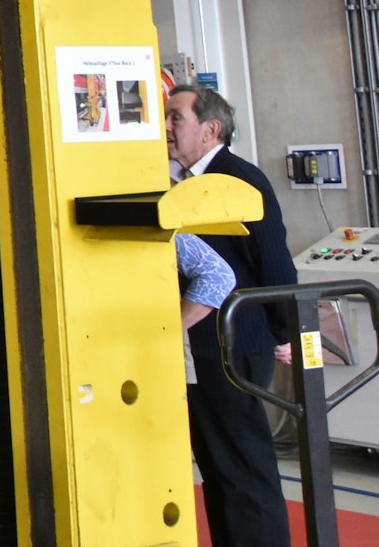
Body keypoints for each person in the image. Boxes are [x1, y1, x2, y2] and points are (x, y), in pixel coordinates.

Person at [166, 85, 295, 547]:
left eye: (176, 118)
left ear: (210, 129)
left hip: (236, 342)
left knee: (244, 468)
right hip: (205, 344)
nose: (166, 127)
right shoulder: (185, 185)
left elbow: (273, 260)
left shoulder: (237, 179)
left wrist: (286, 330)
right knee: (218, 466)